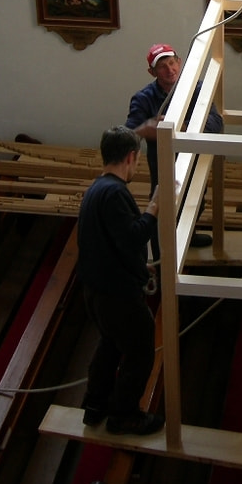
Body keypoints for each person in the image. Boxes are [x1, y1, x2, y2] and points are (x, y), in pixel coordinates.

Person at [77, 125, 164, 434]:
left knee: (111, 345)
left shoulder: (96, 189)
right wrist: (154, 207)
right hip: (117, 296)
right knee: (140, 351)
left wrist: (141, 268)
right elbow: (132, 238)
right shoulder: (115, 192)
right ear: (131, 156)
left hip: (96, 291)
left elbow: (109, 244)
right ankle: (124, 415)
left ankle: (94, 406)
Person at [126, 43, 224, 250]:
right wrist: (147, 127)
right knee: (161, 207)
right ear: (152, 72)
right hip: (163, 164)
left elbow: (216, 123)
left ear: (179, 62)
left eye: (172, 63)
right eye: (162, 66)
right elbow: (128, 135)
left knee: (195, 200)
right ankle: (161, 257)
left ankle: (188, 236)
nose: (169, 69)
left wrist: (183, 126)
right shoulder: (144, 98)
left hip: (193, 158)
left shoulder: (197, 90)